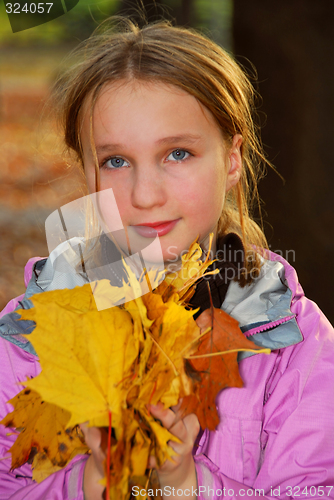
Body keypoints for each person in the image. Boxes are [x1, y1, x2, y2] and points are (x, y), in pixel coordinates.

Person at [1, 16, 334, 500]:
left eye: (177, 153)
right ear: (86, 174)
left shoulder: (293, 345)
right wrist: (89, 483)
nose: (145, 194)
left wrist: (185, 484)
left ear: (233, 159)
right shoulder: (31, 336)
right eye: (116, 161)